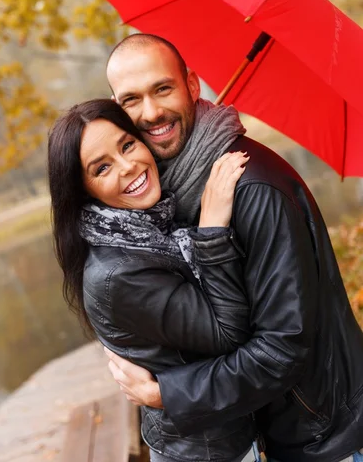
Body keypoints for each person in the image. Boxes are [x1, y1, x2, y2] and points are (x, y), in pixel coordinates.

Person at [103, 33, 363, 462]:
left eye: (162, 89)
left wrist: (164, 392)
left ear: (191, 85)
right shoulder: (168, 191)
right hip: (266, 431)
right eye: (132, 100)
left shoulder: (254, 187)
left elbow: (282, 346)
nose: (151, 113)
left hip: (322, 435)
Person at [47, 97, 263, 462]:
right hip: (207, 451)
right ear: (83, 191)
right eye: (102, 168)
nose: (129, 165)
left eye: (128, 144)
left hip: (222, 433)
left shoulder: (151, 225)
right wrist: (211, 230)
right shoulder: (118, 275)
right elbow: (228, 334)